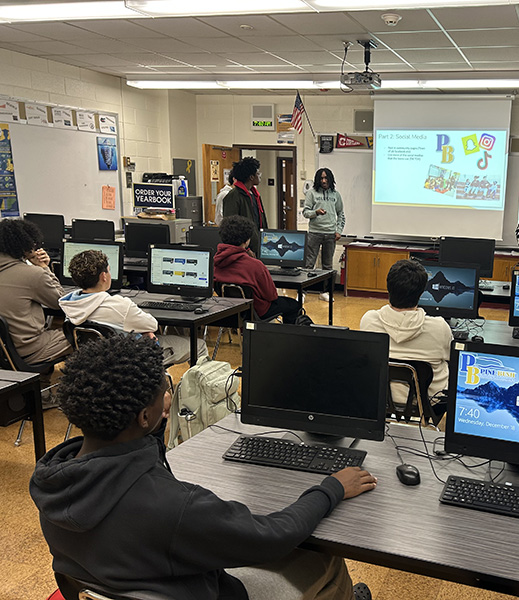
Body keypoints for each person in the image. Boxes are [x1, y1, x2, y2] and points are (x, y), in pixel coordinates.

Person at [29, 335, 376, 600]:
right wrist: (331, 487)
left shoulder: (53, 481)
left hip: (124, 582)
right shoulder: (176, 508)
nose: (169, 394)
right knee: (325, 558)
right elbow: (274, 536)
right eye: (164, 388)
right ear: (144, 415)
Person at [59, 249, 207, 365]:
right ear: (104, 276)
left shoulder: (70, 304)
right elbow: (152, 324)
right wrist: (144, 332)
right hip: (132, 360)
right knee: (198, 345)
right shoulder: (119, 305)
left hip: (97, 362)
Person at [360, 259, 452, 412]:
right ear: (422, 293)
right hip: (428, 406)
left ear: (388, 288)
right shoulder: (439, 327)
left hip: (379, 402)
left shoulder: (369, 320)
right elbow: (451, 358)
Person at [0, 218, 71, 366]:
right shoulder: (32, 274)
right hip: (30, 351)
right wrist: (44, 267)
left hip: (4, 353)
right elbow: (61, 302)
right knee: (85, 335)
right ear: (23, 245)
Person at [214, 216, 302, 324]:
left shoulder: (215, 262)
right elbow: (271, 295)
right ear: (246, 241)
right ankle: (288, 338)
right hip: (257, 311)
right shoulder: (255, 265)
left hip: (228, 311)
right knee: (293, 305)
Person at [303, 168, 345, 302]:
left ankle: (325, 292)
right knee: (309, 264)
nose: (324, 181)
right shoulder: (312, 193)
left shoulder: (336, 195)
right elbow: (305, 212)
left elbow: (341, 215)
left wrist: (339, 231)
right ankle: (303, 292)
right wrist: (316, 212)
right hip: (314, 233)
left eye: (326, 178)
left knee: (327, 266)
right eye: (321, 178)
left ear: (330, 179)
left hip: (330, 235)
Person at [222, 157, 266, 252]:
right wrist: (244, 249)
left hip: (257, 246)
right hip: (243, 249)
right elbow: (230, 228)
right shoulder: (234, 196)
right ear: (251, 177)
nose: (260, 176)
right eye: (258, 173)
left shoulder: (255, 195)